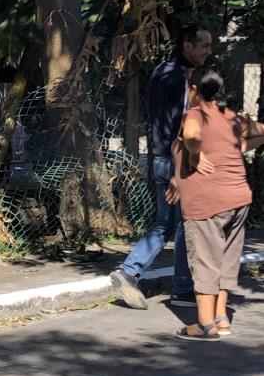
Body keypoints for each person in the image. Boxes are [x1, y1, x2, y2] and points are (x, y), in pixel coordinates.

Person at [110, 25, 212, 309]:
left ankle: (128, 271)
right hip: (177, 158)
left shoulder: (160, 72)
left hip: (159, 157)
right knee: (185, 225)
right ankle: (183, 288)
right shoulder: (185, 80)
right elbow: (184, 126)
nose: (208, 51)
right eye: (203, 45)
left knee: (165, 223)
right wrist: (186, 164)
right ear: (187, 46)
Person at [171, 67, 264, 340]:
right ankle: (222, 318)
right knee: (226, 259)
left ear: (193, 90)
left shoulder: (196, 114)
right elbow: (258, 131)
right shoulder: (230, 117)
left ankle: (204, 324)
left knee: (204, 260)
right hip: (238, 199)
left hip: (206, 202)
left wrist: (195, 155)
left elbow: (191, 135)